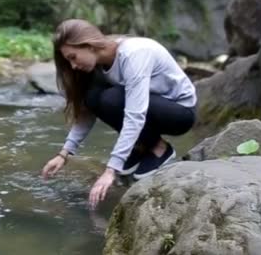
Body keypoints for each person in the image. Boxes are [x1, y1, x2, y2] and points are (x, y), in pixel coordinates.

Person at [41, 19, 197, 209]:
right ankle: (141, 147)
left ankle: (159, 148)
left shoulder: (134, 54)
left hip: (179, 112)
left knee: (112, 97)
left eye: (73, 57)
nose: (73, 66)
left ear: (89, 45)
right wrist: (64, 154)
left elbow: (135, 115)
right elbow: (87, 112)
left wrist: (110, 171)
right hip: (149, 109)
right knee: (92, 97)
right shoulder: (97, 65)